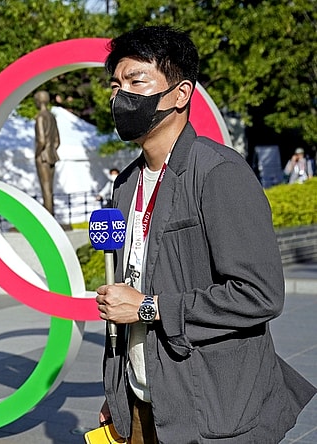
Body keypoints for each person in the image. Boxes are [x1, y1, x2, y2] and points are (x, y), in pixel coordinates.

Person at [95, 26, 315, 443]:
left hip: (210, 407)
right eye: (116, 85)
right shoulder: (124, 185)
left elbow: (260, 295)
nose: (121, 97)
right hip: (141, 405)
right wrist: (118, 392)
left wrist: (148, 309)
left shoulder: (219, 173)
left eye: (136, 81)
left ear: (181, 94)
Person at [33, 90, 60, 214]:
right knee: (50, 188)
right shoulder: (52, 116)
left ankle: (49, 219)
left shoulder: (40, 117)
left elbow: (41, 141)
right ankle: (51, 214)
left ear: (38, 101)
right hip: (52, 155)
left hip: (43, 156)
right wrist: (51, 150)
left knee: (45, 188)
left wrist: (37, 154)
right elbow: (57, 141)